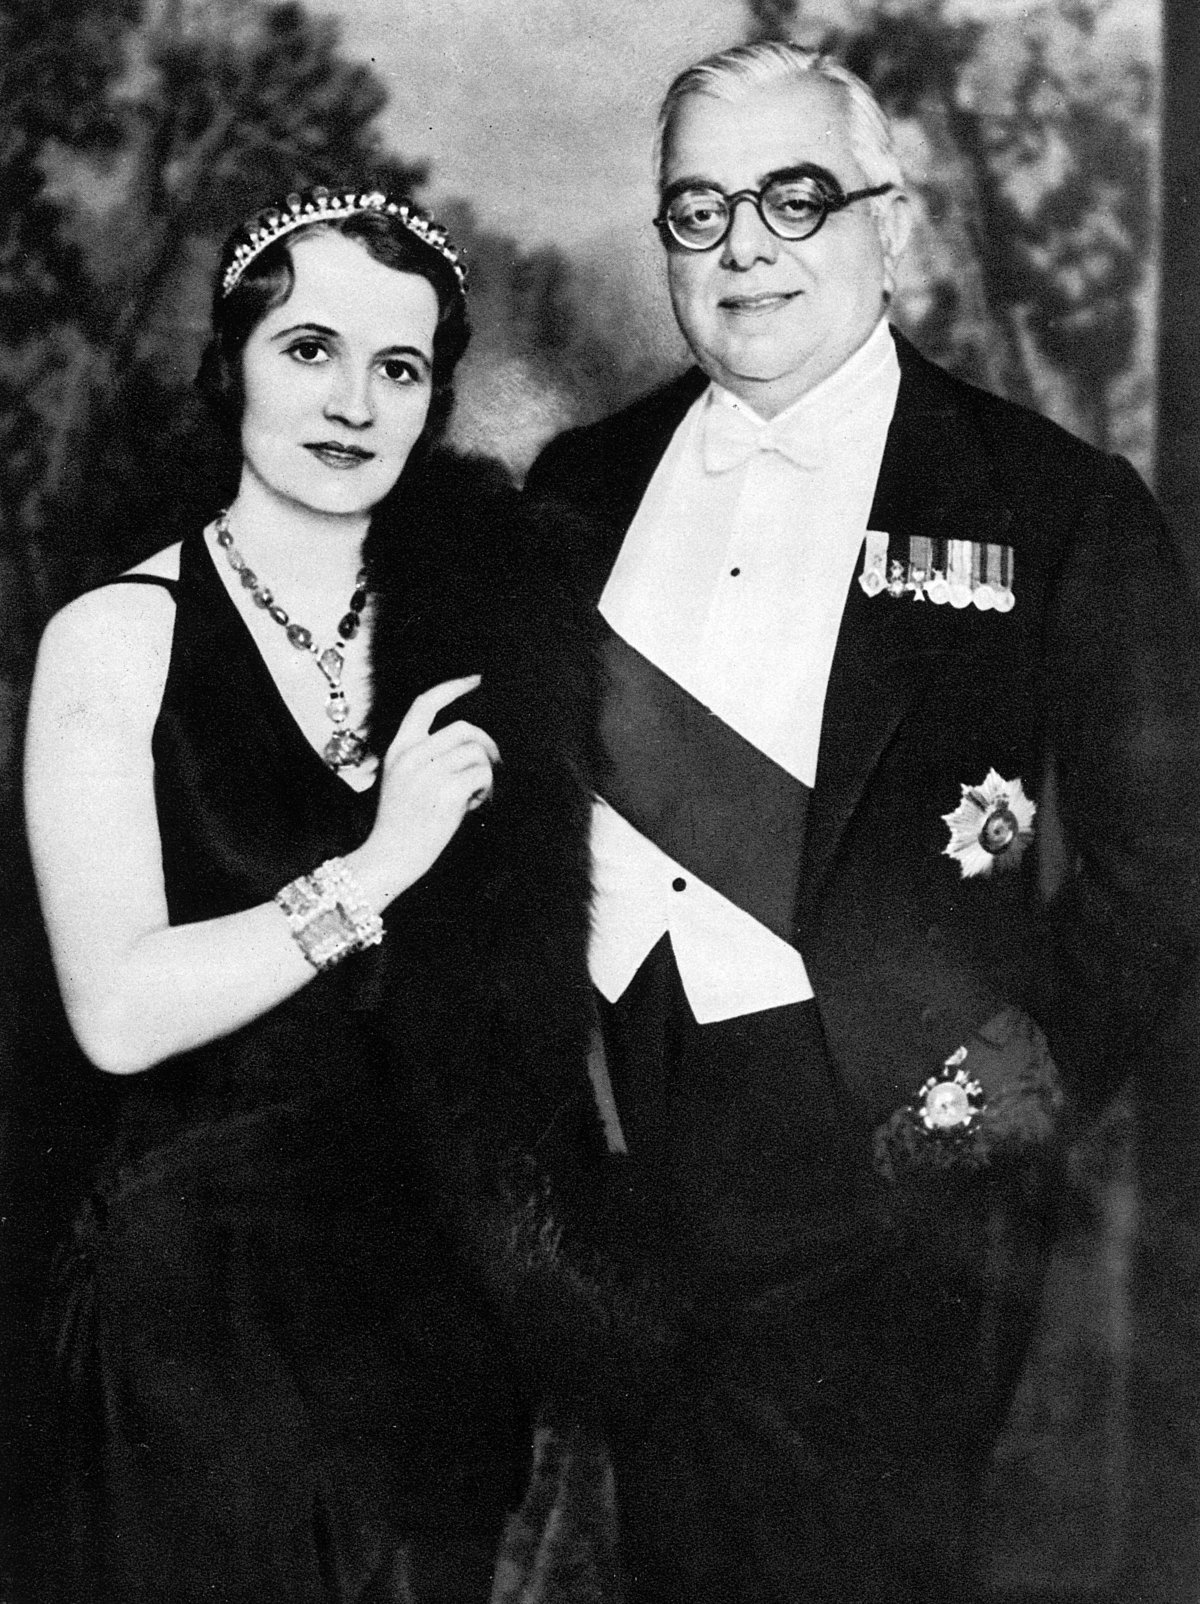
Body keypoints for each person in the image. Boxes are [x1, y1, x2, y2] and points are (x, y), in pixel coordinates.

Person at [524, 41, 1200, 1604]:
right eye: (698, 210)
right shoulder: (576, 487)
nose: (743, 244)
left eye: (794, 196)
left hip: (895, 1190)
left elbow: (1160, 879)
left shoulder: (1056, 506)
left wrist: (965, 1125)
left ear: (890, 225)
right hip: (627, 1165)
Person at [23, 185, 602, 1604]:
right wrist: (377, 868)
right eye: (309, 350)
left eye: (398, 367)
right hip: (201, 1315)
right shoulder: (115, 637)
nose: (353, 401)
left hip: (428, 1307)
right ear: (231, 368)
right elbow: (114, 1012)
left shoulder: (488, 624)